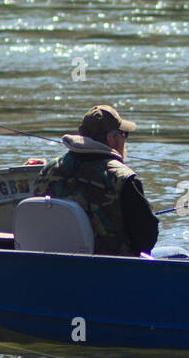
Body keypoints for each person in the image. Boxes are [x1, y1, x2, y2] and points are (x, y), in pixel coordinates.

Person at [32, 104, 159, 256]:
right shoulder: (124, 179)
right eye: (123, 134)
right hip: (111, 270)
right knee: (179, 253)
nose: (125, 141)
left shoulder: (48, 170)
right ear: (111, 138)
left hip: (53, 264)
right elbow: (146, 240)